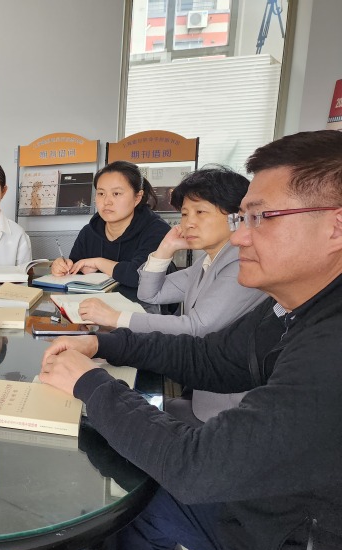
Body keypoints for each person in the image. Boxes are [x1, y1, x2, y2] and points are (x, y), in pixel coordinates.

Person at [40, 130, 342, 550]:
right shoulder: (293, 305)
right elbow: (210, 356)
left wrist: (93, 385)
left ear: (336, 227)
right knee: (131, 487)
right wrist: (104, 344)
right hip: (274, 512)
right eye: (242, 218)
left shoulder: (331, 345)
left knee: (135, 486)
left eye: (260, 217)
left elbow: (197, 467)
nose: (240, 235)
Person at [76, 166, 268, 422]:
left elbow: (195, 327)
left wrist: (115, 318)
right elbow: (150, 294)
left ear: (237, 216)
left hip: (228, 412)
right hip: (202, 393)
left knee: (113, 414)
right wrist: (165, 249)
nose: (189, 223)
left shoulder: (240, 264)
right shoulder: (207, 261)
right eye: (185, 213)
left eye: (201, 212)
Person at [50, 161, 171, 287]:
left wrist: (98, 263)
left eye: (116, 193)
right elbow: (75, 271)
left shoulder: (157, 231)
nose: (107, 201)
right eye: (101, 193)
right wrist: (63, 267)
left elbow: (142, 277)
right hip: (95, 299)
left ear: (137, 197)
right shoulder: (89, 232)